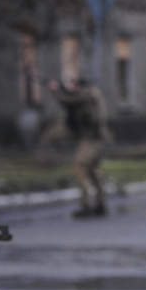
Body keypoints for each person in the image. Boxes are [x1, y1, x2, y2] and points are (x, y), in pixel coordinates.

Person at [46, 77, 110, 218]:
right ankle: (101, 204)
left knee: (79, 167)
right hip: (96, 139)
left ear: (79, 86)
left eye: (73, 85)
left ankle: (87, 205)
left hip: (90, 139)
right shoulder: (92, 94)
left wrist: (55, 90)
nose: (71, 88)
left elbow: (68, 101)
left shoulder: (86, 94)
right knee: (93, 170)